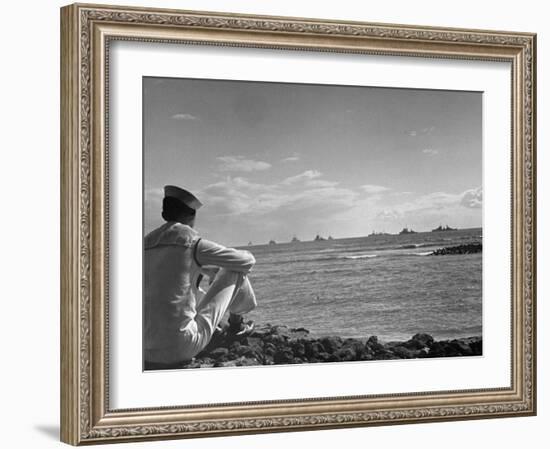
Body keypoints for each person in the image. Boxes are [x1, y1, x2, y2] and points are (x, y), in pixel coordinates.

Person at [144, 185, 257, 366]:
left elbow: (170, 275)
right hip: (181, 347)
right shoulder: (192, 242)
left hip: (146, 349)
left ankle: (223, 326)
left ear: (165, 214)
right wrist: (218, 266)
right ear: (190, 216)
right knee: (235, 269)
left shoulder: (146, 244)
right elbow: (247, 262)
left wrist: (204, 269)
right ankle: (237, 324)